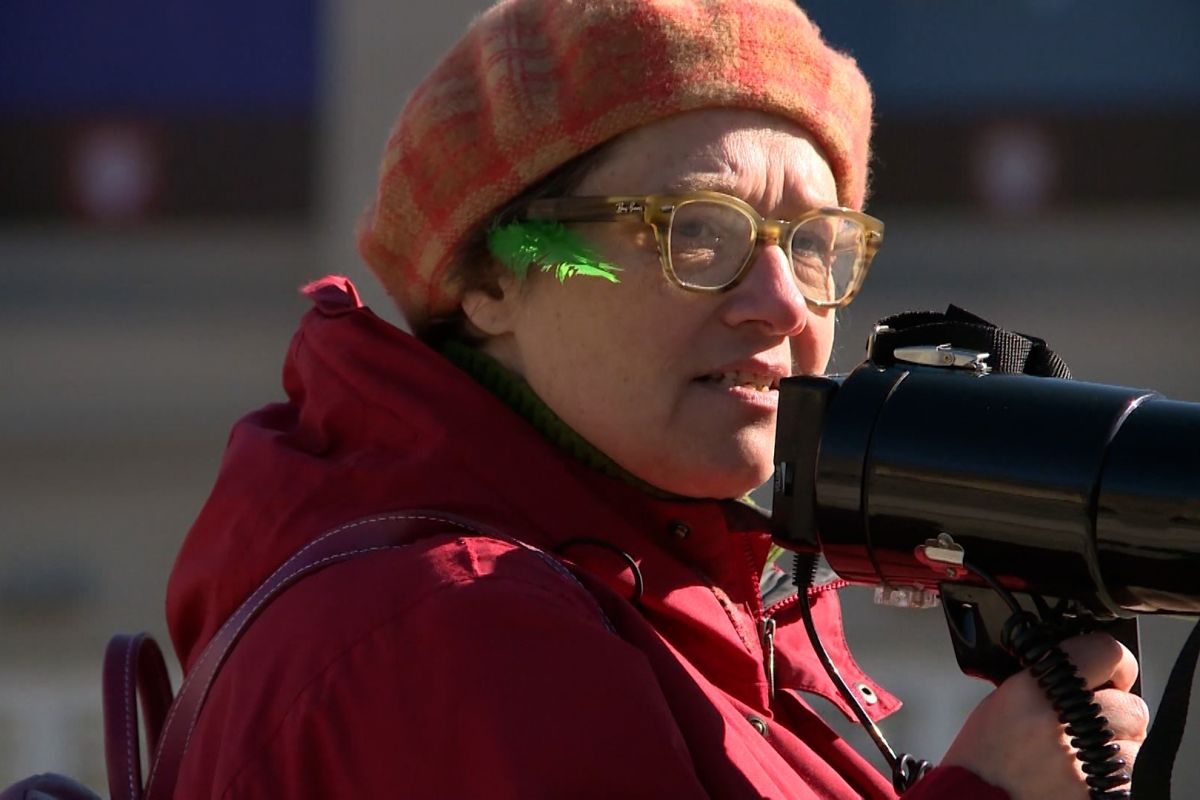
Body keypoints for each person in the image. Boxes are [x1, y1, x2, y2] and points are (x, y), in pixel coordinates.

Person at [165, 0, 1148, 797]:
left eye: (813, 247)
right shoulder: (459, 627)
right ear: (496, 277)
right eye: (698, 235)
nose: (778, 304)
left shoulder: (625, 594)